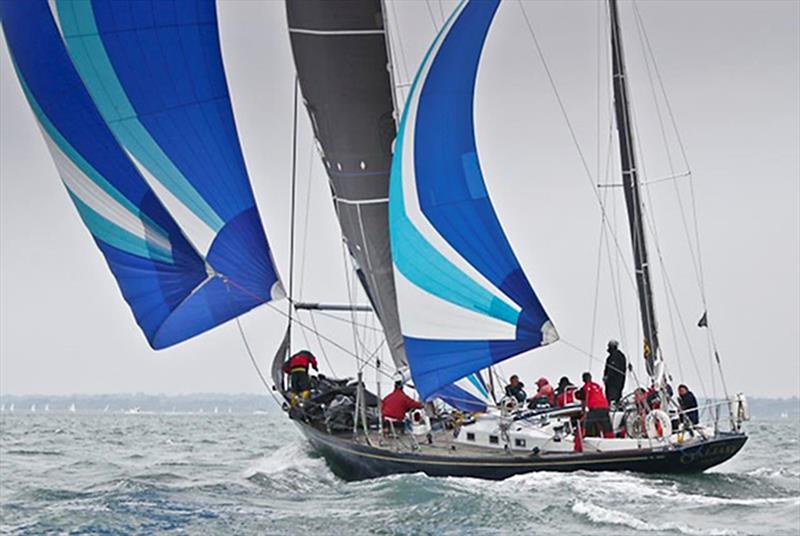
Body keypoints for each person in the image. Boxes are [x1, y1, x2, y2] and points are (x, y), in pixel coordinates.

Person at [577, 372, 613, 438]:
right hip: (605, 407)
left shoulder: (585, 388)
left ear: (583, 380)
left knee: (584, 424)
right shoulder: (597, 386)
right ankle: (611, 440)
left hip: (595, 408)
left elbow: (583, 401)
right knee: (607, 426)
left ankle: (579, 440)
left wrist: (583, 412)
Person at [603, 340, 627, 405]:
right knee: (617, 396)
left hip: (613, 383)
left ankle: (613, 406)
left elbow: (612, 369)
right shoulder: (621, 355)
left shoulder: (615, 356)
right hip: (619, 382)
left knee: (612, 397)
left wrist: (607, 377)